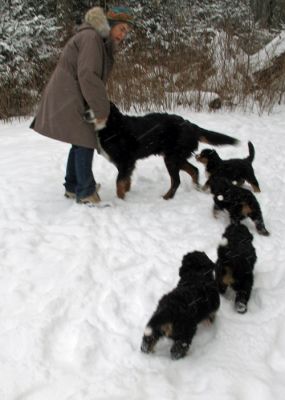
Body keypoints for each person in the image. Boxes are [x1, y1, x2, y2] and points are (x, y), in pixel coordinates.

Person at [30, 6, 135, 204]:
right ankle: (85, 192)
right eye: (121, 29)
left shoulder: (96, 39)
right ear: (110, 25)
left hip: (71, 94)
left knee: (79, 140)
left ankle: (73, 186)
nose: (123, 34)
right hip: (70, 96)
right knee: (85, 139)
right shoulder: (91, 38)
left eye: (126, 31)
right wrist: (101, 108)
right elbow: (88, 75)